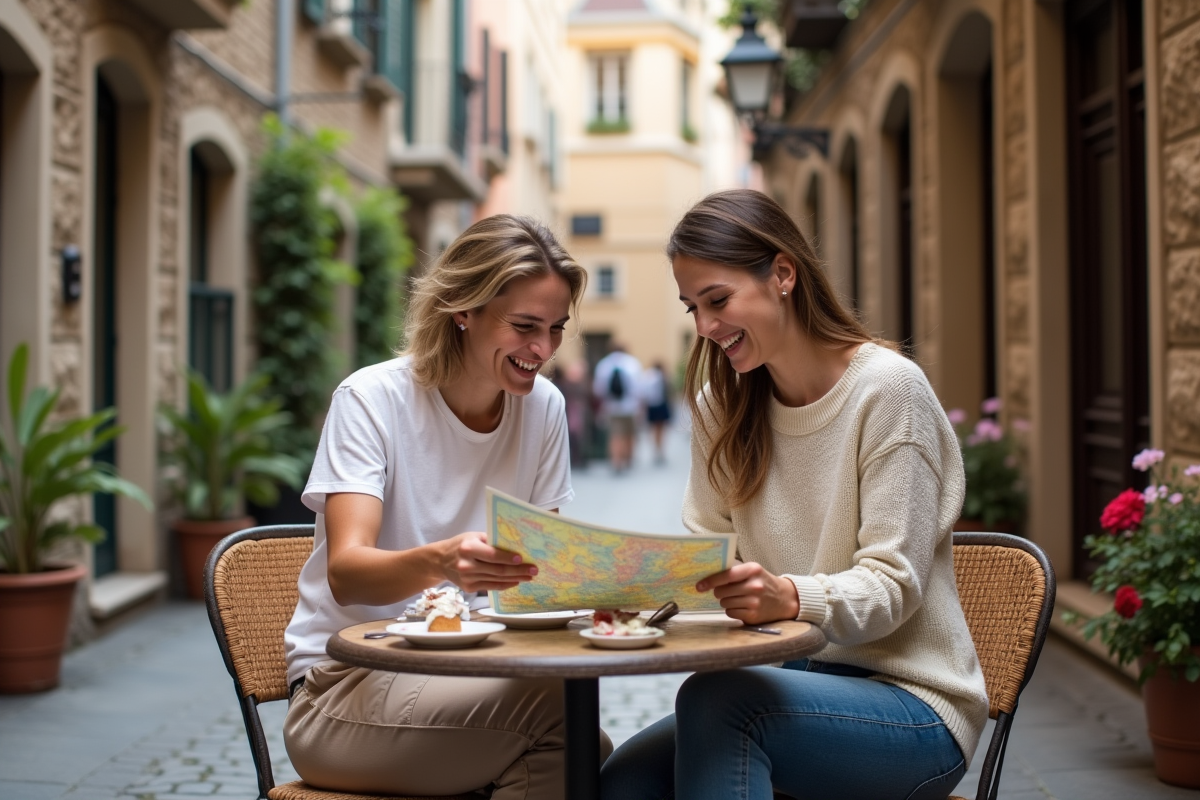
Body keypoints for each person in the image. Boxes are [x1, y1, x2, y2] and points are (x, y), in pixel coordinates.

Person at [599, 190, 988, 800]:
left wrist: (786, 595)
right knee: (621, 784)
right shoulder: (720, 407)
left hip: (913, 705)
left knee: (723, 705)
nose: (705, 327)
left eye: (718, 300)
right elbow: (706, 555)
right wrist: (629, 586)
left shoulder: (887, 393)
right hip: (788, 685)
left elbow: (893, 585)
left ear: (783, 274)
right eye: (692, 308)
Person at [283, 214, 611, 799]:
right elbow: (347, 575)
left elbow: (541, 579)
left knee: (580, 741)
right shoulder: (371, 399)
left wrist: (609, 582)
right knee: (575, 737)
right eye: (525, 326)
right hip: (344, 689)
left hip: (473, 672)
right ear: (463, 308)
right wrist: (442, 561)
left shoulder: (544, 409)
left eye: (557, 328)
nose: (543, 350)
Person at [592, 343, 642, 473]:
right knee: (629, 434)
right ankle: (628, 459)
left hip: (611, 406)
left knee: (614, 435)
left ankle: (616, 461)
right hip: (630, 406)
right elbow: (639, 388)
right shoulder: (632, 363)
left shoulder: (604, 365)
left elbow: (598, 389)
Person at [639, 360, 672, 465]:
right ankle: (660, 450)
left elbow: (644, 392)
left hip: (651, 405)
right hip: (661, 405)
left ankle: (656, 450)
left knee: (653, 429)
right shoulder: (661, 376)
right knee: (661, 429)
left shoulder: (647, 375)